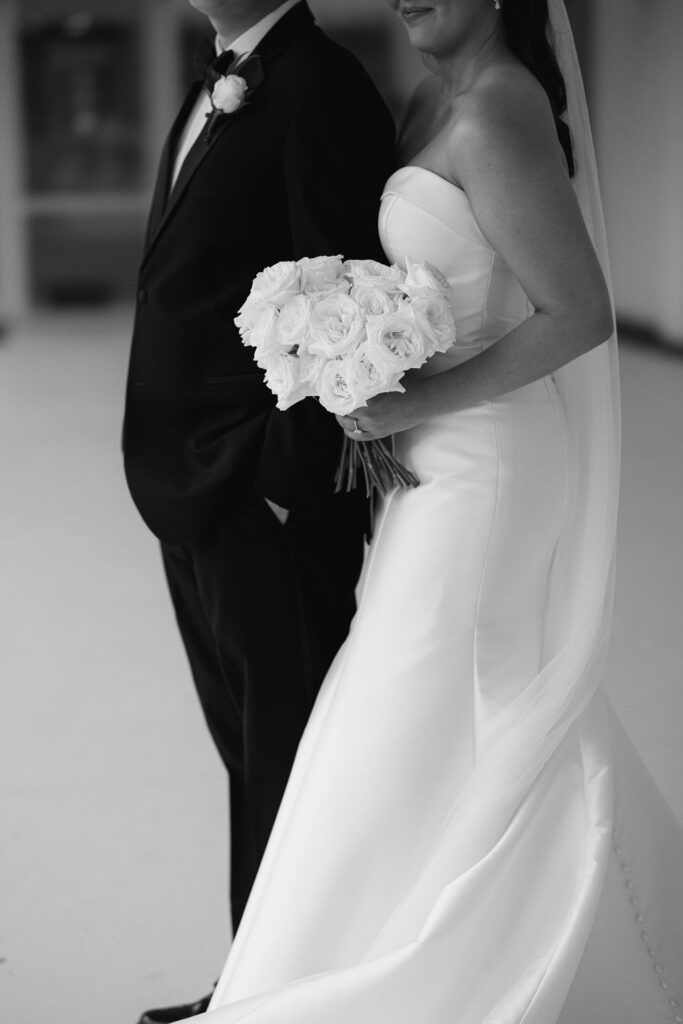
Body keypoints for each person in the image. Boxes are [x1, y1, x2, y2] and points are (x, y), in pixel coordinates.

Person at [168, 0, 683, 1021]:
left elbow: (574, 311)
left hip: (490, 464)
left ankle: (436, 957)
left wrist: (412, 400)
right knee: (451, 692)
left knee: (417, 682)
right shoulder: (426, 100)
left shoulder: (496, 112)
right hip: (434, 452)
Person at [122, 1, 395, 1020]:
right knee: (251, 756)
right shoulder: (217, 78)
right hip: (189, 490)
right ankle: (261, 983)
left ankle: (276, 998)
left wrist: (282, 482)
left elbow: (348, 287)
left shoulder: (318, 87)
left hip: (257, 497)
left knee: (286, 760)